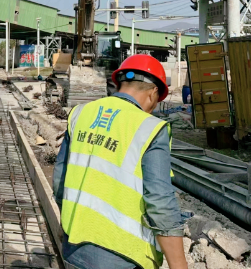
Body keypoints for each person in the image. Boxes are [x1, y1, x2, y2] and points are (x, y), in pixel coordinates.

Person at [53, 54, 187, 269]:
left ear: (121, 83)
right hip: (123, 256)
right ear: (153, 93)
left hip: (75, 248)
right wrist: (179, 265)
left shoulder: (81, 114)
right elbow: (161, 203)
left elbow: (60, 179)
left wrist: (67, 225)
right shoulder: (150, 128)